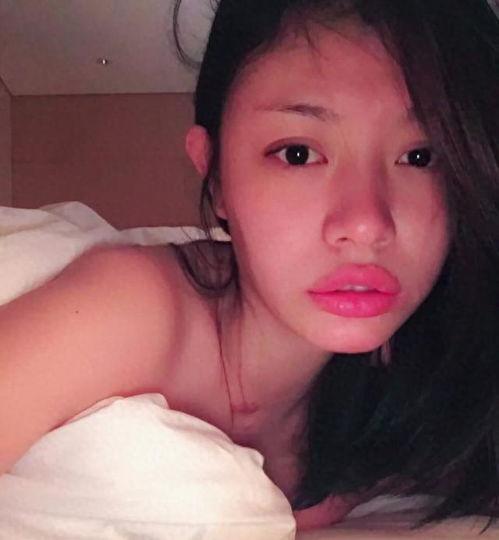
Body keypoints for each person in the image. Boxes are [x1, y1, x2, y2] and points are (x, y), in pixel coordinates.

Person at [1, 0, 498, 531]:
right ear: (214, 176)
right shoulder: (123, 314)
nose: (366, 224)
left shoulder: (423, 379)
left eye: (421, 157)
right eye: (298, 154)